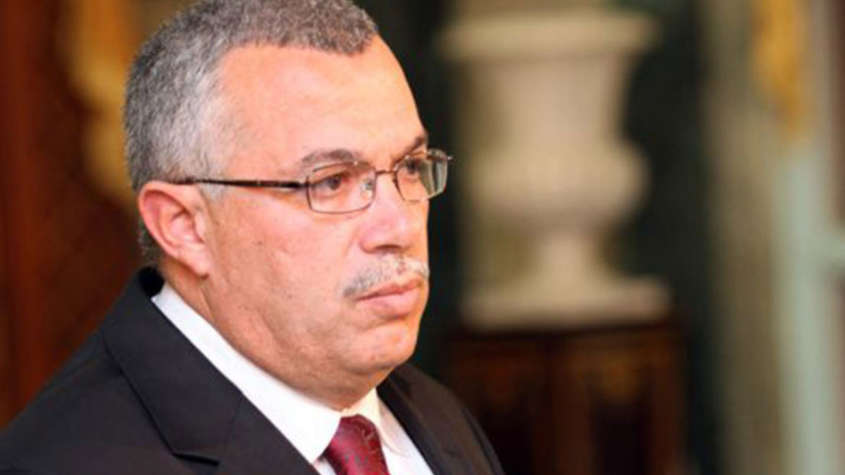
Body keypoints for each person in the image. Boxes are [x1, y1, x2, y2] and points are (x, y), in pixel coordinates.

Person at [0, 1, 504, 473]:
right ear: (183, 226)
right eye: (331, 182)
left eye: (411, 167)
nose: (399, 227)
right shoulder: (67, 461)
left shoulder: (436, 416)